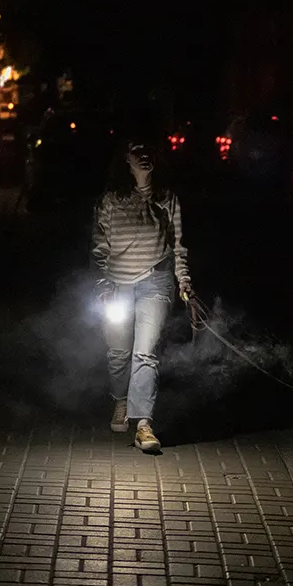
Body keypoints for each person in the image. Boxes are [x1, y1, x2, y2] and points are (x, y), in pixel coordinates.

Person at [91, 138, 200, 451]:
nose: (144, 156)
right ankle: (120, 400)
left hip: (156, 281)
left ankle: (143, 424)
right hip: (118, 284)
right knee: (118, 351)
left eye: (148, 150)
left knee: (145, 352)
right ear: (125, 159)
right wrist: (102, 286)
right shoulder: (110, 200)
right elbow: (99, 249)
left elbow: (178, 245)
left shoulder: (167, 198)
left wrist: (184, 282)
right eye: (137, 151)